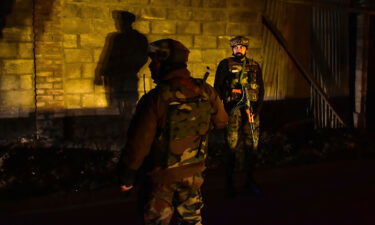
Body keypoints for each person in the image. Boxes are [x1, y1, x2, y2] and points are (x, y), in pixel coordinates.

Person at [118, 38, 228, 225]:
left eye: (154, 61)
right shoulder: (205, 91)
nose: (151, 67)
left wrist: (128, 174)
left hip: (161, 180)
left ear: (165, 62)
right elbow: (222, 122)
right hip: (193, 176)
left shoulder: (156, 98)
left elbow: (139, 143)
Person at [214, 36, 264, 197]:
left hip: (251, 112)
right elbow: (218, 88)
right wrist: (222, 110)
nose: (239, 50)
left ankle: (250, 180)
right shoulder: (225, 64)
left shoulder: (254, 66)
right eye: (236, 48)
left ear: (246, 49)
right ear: (232, 49)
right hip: (233, 110)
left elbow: (261, 89)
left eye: (242, 47)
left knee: (252, 146)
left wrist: (257, 110)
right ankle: (230, 183)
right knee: (231, 146)